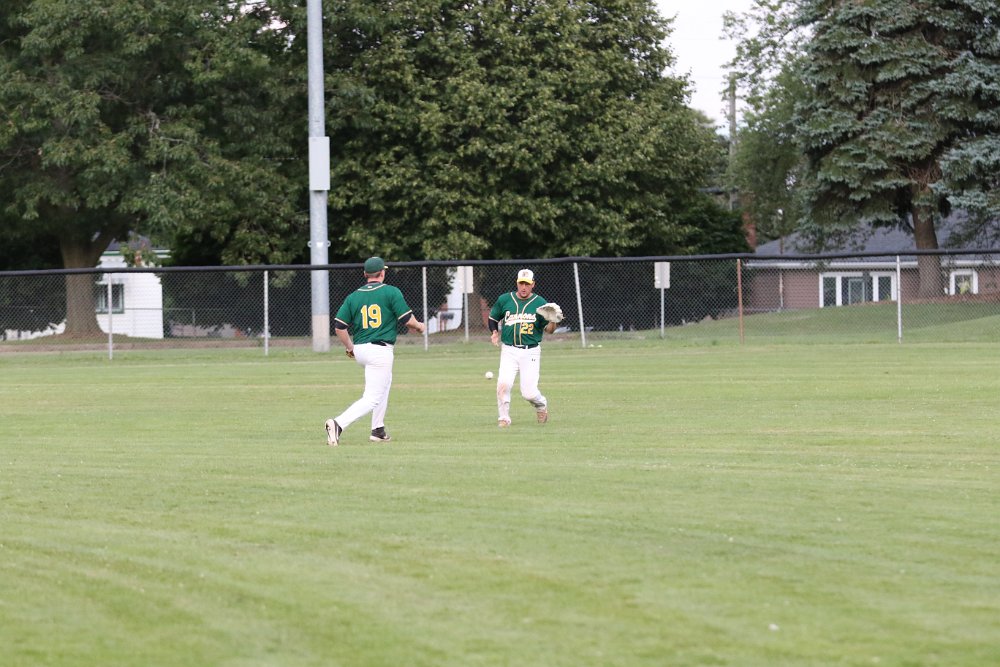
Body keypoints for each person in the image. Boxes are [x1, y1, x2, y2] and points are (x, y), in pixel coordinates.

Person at [325, 257, 425, 446]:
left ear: (365, 274)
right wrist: (420, 326)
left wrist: (350, 348)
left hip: (361, 349)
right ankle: (338, 424)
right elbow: (408, 321)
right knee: (371, 398)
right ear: (382, 273)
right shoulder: (391, 292)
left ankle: (378, 430)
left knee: (385, 382)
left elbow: (339, 326)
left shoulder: (353, 296)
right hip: (379, 350)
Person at [488, 268, 557, 427]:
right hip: (509, 350)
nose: (523, 287)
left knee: (529, 393)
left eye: (527, 284)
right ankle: (504, 418)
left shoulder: (540, 303)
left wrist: (553, 320)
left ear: (533, 284)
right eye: (521, 283)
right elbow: (493, 318)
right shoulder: (505, 299)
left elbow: (550, 330)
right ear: (517, 283)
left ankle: (541, 405)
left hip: (530, 351)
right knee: (503, 384)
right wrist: (494, 332)